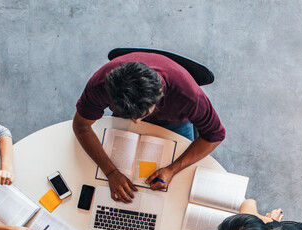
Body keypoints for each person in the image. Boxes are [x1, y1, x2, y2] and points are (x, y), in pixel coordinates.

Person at [73, 52, 226, 203]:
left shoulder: (189, 96)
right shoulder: (100, 84)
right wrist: (111, 172)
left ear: (160, 93)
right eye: (131, 117)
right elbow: (81, 126)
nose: (136, 123)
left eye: (141, 115)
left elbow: (215, 136)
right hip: (124, 119)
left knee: (178, 186)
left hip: (175, 123)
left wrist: (172, 169)